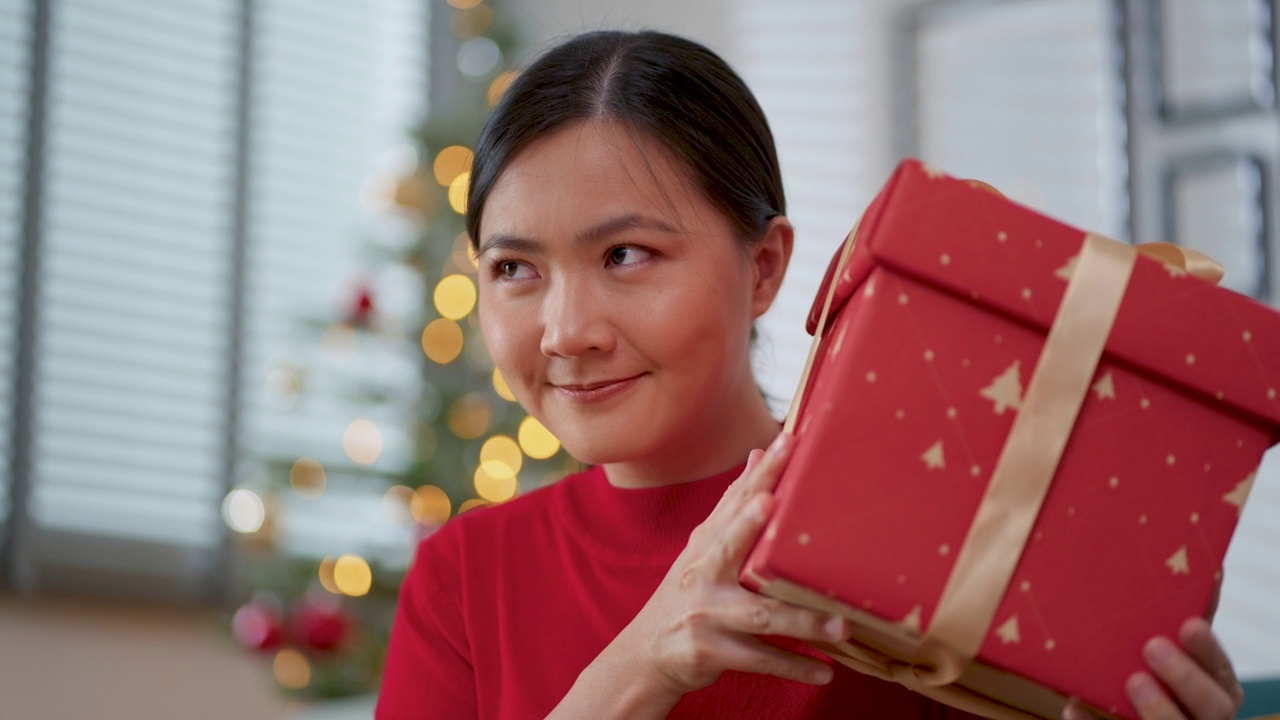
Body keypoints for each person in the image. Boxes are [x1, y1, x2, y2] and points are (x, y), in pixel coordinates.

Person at [376, 30, 1245, 720]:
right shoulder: (464, 577)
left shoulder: (931, 540)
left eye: (626, 254)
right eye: (514, 269)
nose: (567, 331)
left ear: (763, 268)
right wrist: (644, 660)